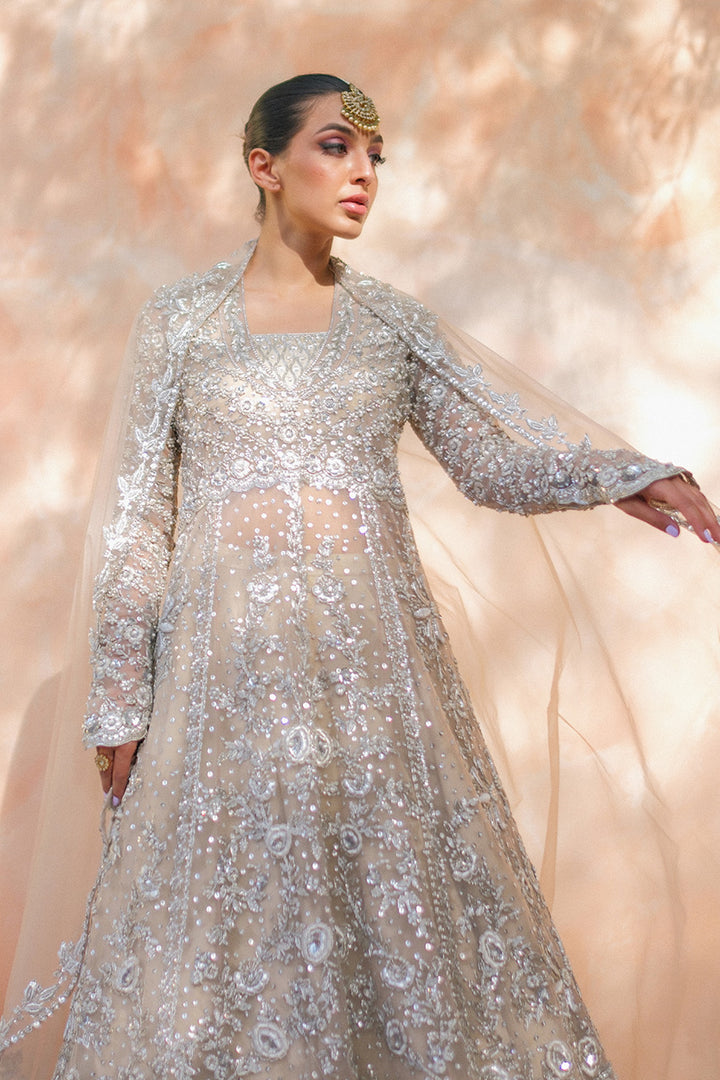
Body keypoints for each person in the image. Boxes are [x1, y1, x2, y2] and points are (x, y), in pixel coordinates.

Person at [1, 73, 718, 1080]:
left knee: (392, 921)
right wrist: (120, 696)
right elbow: (139, 517)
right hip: (221, 688)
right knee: (223, 931)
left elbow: (490, 463)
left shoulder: (390, 324)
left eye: (376, 156)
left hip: (373, 688)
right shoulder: (181, 322)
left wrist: (619, 475)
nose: (364, 174)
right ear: (265, 165)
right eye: (337, 146)